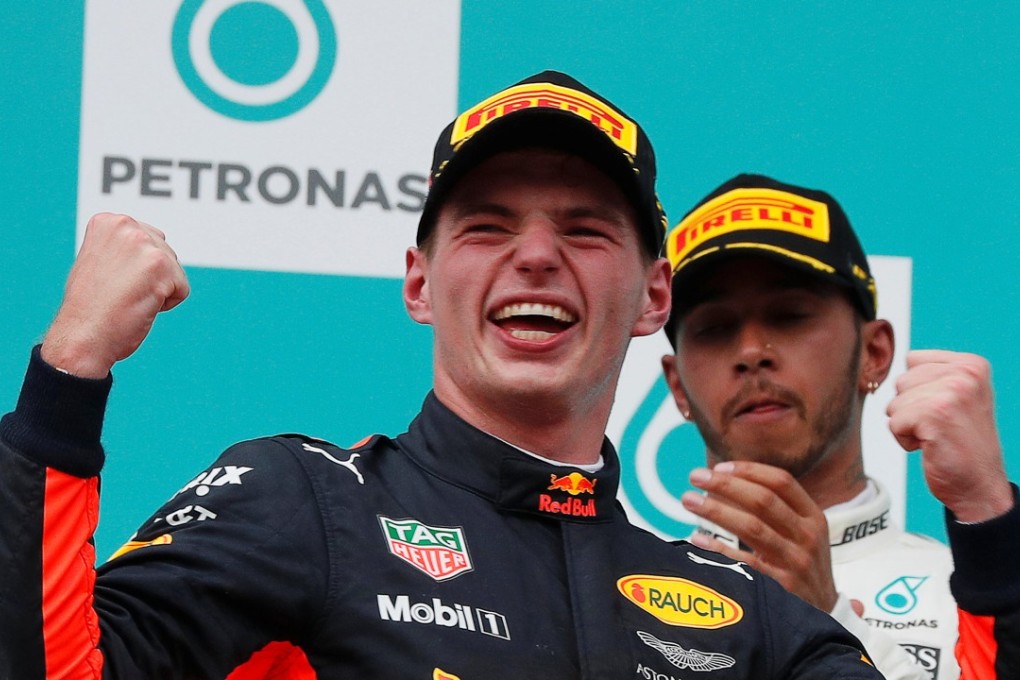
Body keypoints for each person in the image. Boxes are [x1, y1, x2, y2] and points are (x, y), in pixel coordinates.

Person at [0, 73, 885, 679]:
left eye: (584, 229)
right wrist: (65, 381)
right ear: (420, 283)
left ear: (654, 295)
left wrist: (990, 547)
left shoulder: (742, 615)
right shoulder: (304, 503)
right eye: (488, 226)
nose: (536, 255)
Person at [659, 173, 1020, 680]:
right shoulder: (621, 593)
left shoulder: (976, 595)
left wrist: (987, 511)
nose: (751, 352)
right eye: (715, 328)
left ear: (874, 354)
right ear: (678, 388)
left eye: (789, 316)